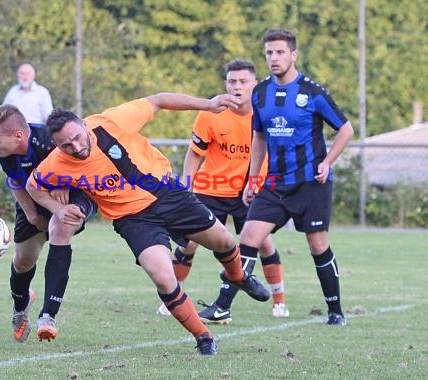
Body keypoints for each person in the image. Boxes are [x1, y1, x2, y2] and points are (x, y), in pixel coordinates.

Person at [25, 92, 271, 356]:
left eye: (77, 138)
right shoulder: (55, 164)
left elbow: (159, 99)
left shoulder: (111, 122)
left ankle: (238, 276)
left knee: (224, 242)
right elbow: (32, 186)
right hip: (134, 220)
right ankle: (204, 337)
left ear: (84, 125)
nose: (76, 147)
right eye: (66, 146)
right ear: (56, 145)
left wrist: (208, 105)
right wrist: (58, 209)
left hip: (168, 194)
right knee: (164, 279)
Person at [156, 58, 289, 323]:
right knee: (190, 241)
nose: (237, 87)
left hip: (250, 189)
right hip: (211, 188)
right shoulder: (210, 113)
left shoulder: (267, 114)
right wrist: (187, 187)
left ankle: (279, 301)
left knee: (262, 241)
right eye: (232, 82)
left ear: (255, 84)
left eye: (243, 82)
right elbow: (195, 154)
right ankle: (173, 299)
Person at [241, 28, 354, 326]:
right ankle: (223, 305)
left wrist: (328, 162)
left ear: (293, 55)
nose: (274, 58)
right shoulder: (260, 93)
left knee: (317, 245)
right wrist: (253, 180)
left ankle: (336, 312)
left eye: (279, 52)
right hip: (274, 184)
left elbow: (346, 129)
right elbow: (260, 138)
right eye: (269, 52)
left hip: (310, 184)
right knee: (249, 237)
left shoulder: (312, 92)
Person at [0, 104, 98, 343]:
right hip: (32, 196)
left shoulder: (49, 138)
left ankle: (48, 316)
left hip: (75, 191)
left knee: (60, 226)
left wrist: (63, 181)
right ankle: (20, 306)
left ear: (18, 136)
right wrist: (32, 215)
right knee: (23, 260)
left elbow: (78, 157)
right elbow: (16, 181)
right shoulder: (3, 152)